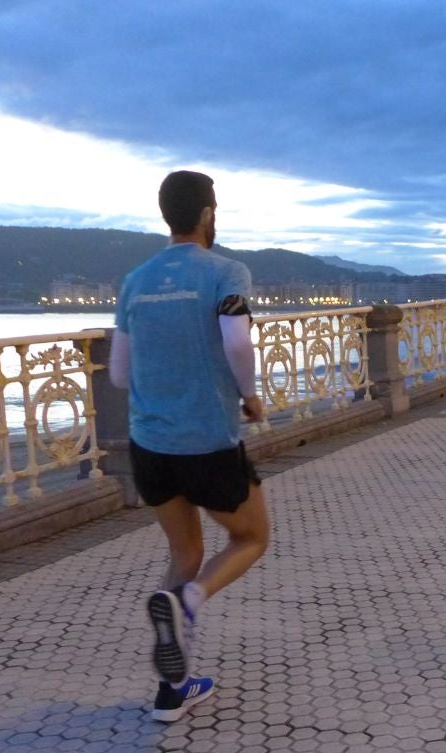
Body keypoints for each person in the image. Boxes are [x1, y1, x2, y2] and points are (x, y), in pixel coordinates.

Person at [109, 170, 271, 722]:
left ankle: (171, 691)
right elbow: (236, 339)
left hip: (149, 445)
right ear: (208, 214)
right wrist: (249, 395)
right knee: (251, 537)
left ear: (166, 215)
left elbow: (118, 373)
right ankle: (189, 600)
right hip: (207, 441)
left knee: (185, 554)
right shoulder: (226, 271)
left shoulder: (135, 280)